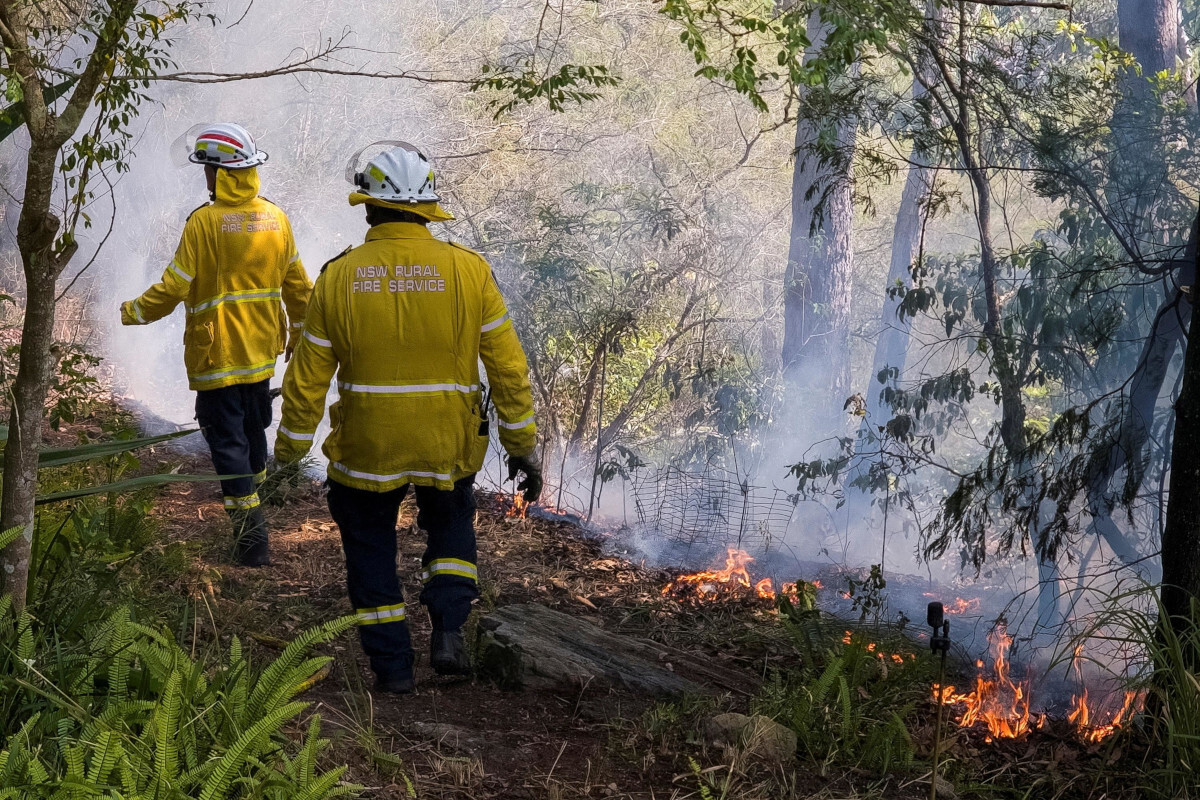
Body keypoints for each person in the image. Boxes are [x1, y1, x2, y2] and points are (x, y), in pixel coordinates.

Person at [274, 141, 542, 694]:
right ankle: (447, 631)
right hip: (448, 444)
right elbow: (508, 368)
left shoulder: (339, 277)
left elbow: (307, 381)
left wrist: (287, 456)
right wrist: (521, 445)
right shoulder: (470, 271)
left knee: (371, 549)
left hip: (367, 450)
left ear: (367, 207)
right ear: (427, 208)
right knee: (449, 526)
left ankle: (392, 669)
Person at [121, 122, 311, 567]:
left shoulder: (204, 222)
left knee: (228, 446)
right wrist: (299, 335)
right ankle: (258, 508)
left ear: (218, 172)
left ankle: (251, 543)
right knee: (252, 433)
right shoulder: (276, 219)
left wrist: (133, 311)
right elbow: (300, 288)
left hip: (217, 356)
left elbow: (174, 287)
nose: (204, 178)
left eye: (206, 169)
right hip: (261, 355)